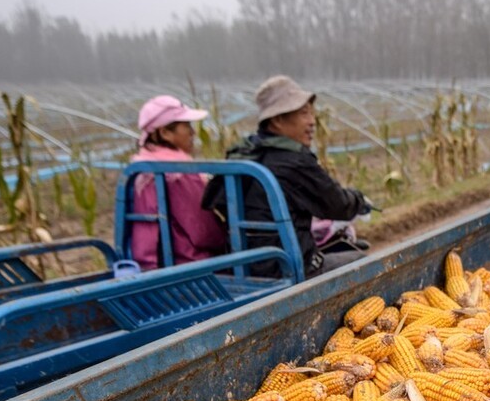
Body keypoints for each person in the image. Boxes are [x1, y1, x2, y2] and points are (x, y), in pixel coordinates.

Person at [203, 75, 371, 278]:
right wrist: (358, 199)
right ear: (278, 120)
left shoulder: (243, 153)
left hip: (243, 265)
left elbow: (218, 203)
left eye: (311, 113)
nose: (312, 122)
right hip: (285, 268)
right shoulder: (295, 161)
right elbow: (338, 205)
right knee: (362, 263)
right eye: (303, 113)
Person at [129, 96, 227, 270]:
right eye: (186, 126)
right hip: (190, 264)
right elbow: (204, 231)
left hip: (149, 265)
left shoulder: (138, 171)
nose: (192, 133)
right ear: (165, 133)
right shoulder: (181, 173)